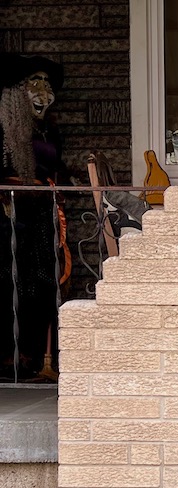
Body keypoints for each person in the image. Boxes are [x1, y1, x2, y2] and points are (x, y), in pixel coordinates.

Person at [0, 54, 70, 381]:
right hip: (11, 215)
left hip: (43, 212)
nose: (43, 88)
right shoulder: (5, 128)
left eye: (46, 82)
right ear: (19, 90)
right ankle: (11, 356)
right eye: (35, 81)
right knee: (12, 283)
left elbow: (58, 169)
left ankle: (38, 358)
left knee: (43, 283)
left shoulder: (49, 131)